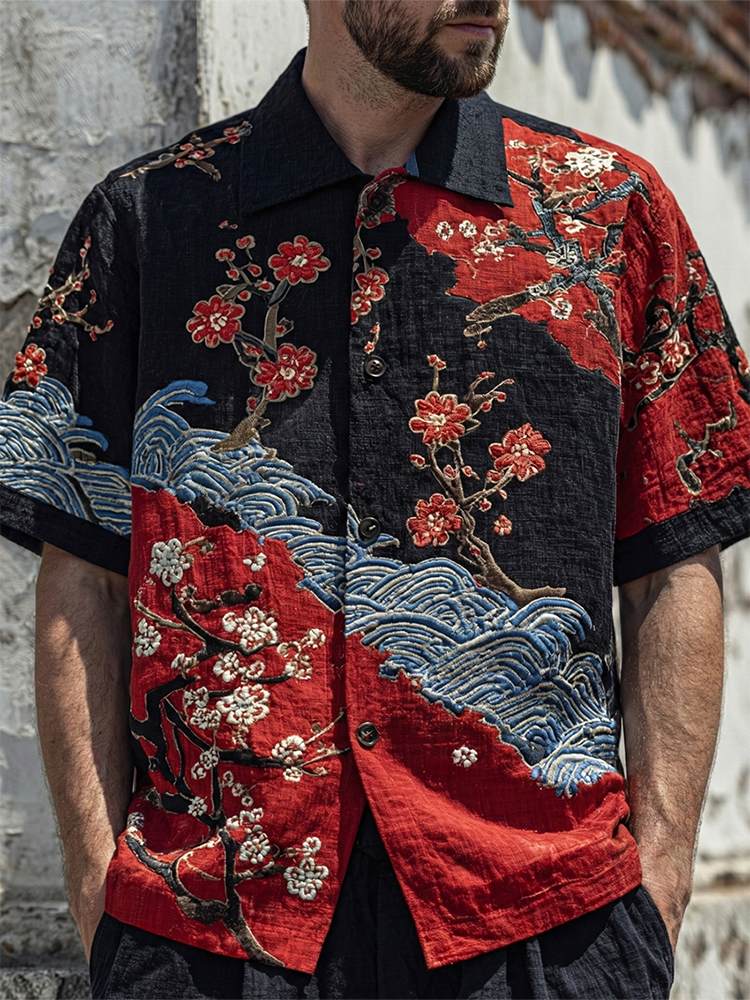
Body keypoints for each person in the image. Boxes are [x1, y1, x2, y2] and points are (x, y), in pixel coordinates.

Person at [1, 1, 748, 997]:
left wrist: (656, 895)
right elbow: (83, 574)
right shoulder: (146, 222)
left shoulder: (611, 214)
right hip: (212, 940)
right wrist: (104, 903)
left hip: (546, 927)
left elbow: (673, 563)